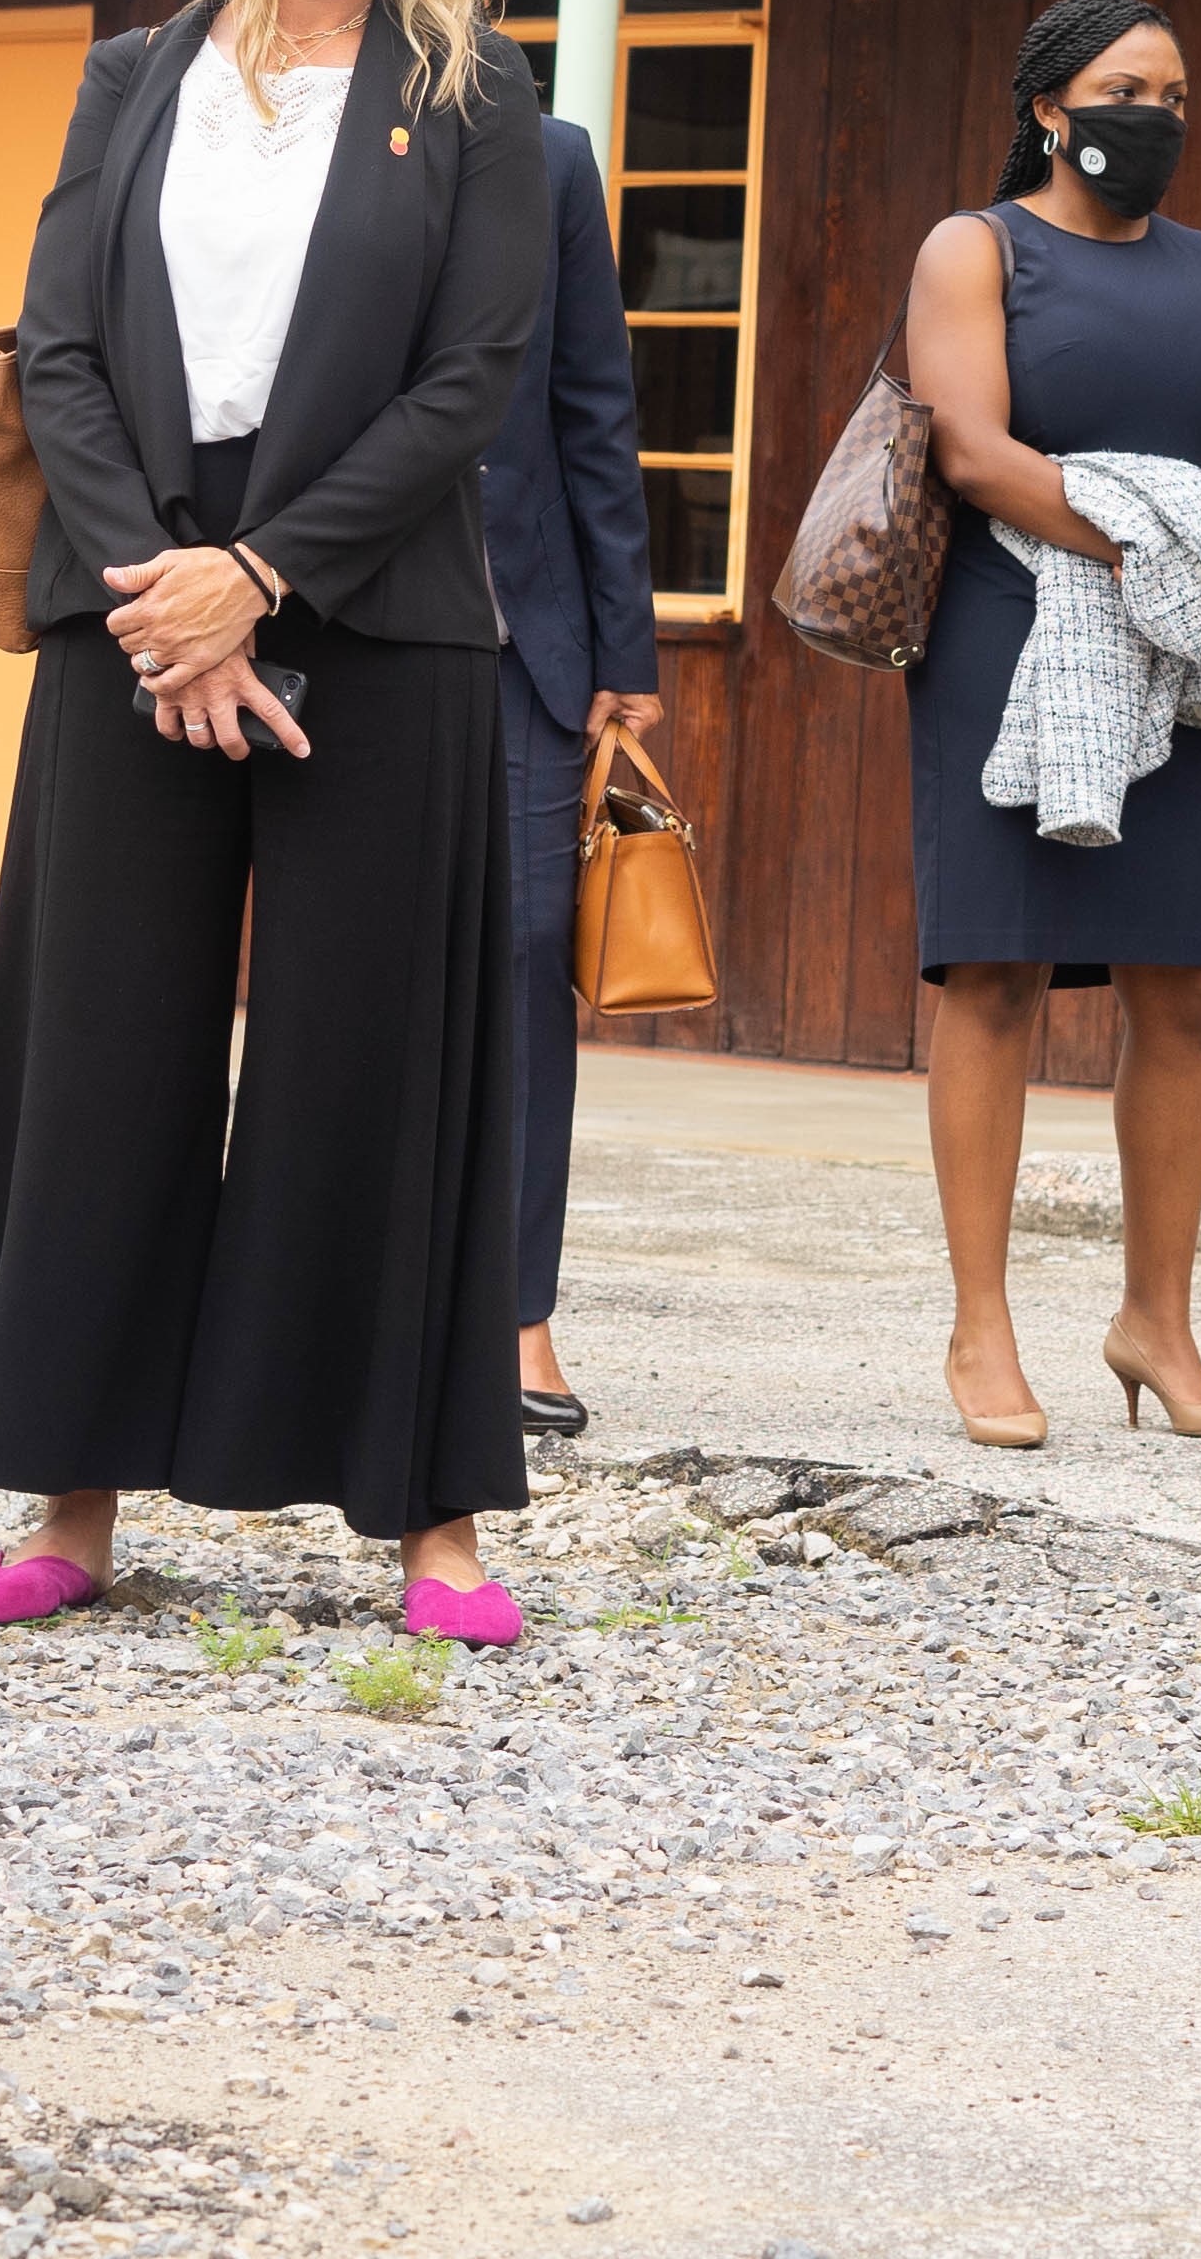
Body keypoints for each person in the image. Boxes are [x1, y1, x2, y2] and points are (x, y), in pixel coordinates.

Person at [0, 0, 548, 1643]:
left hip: (379, 619)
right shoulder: (133, 77)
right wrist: (160, 591)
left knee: (378, 1059)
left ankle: (428, 1514)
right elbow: (63, 346)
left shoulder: (474, 95)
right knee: (104, 1046)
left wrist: (260, 572)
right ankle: (72, 1498)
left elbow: (473, 378)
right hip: (134, 620)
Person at [893, 0, 1201, 1452]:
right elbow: (976, 452)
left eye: (1177, 95)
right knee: (994, 971)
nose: (1156, 118)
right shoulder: (977, 249)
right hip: (1008, 627)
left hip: (1176, 655)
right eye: (1127, 89)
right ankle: (981, 1332)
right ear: (1050, 108)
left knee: (1183, 983)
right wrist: (1154, 539)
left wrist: (1186, 564)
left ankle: (1156, 1325)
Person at [477, 107, 666, 1439]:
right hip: (335, 624)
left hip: (522, 635)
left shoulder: (546, 160)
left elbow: (594, 408)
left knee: (531, 951)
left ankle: (518, 1315)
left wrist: (623, 639)